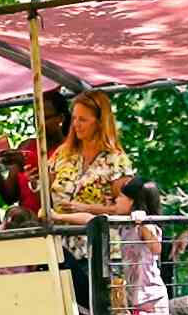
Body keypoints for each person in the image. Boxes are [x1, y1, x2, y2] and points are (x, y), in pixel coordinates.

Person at [45, 90, 135, 226]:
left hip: (97, 241)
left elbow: (123, 210)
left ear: (100, 122)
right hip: (59, 240)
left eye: (83, 119)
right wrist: (35, 181)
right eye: (74, 118)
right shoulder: (62, 153)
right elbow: (46, 191)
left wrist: (87, 209)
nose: (76, 124)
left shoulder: (117, 161)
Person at [0, 90, 71, 217]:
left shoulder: (71, 149)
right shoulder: (26, 146)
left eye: (45, 118)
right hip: (28, 224)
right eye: (36, 118)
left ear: (61, 118)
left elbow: (63, 196)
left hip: (58, 222)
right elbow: (10, 196)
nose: (39, 124)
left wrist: (30, 163)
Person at [118, 178, 170, 315]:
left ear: (133, 201)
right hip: (134, 299)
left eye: (121, 197)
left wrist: (143, 224)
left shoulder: (147, 227)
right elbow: (90, 218)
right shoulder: (124, 226)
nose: (116, 200)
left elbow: (156, 248)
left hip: (151, 299)